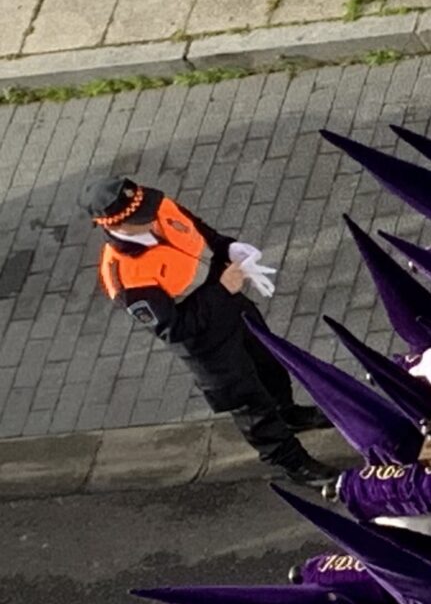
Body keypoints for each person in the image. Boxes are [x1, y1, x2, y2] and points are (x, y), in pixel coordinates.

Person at [84, 174, 332, 486]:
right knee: (251, 406)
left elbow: (197, 229)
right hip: (208, 347)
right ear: (112, 225)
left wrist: (228, 247)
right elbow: (176, 329)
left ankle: (288, 413)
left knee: (272, 367)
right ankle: (293, 464)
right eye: (139, 218)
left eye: (146, 209)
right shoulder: (124, 276)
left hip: (235, 310)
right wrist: (221, 289)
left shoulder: (157, 207)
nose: (151, 218)